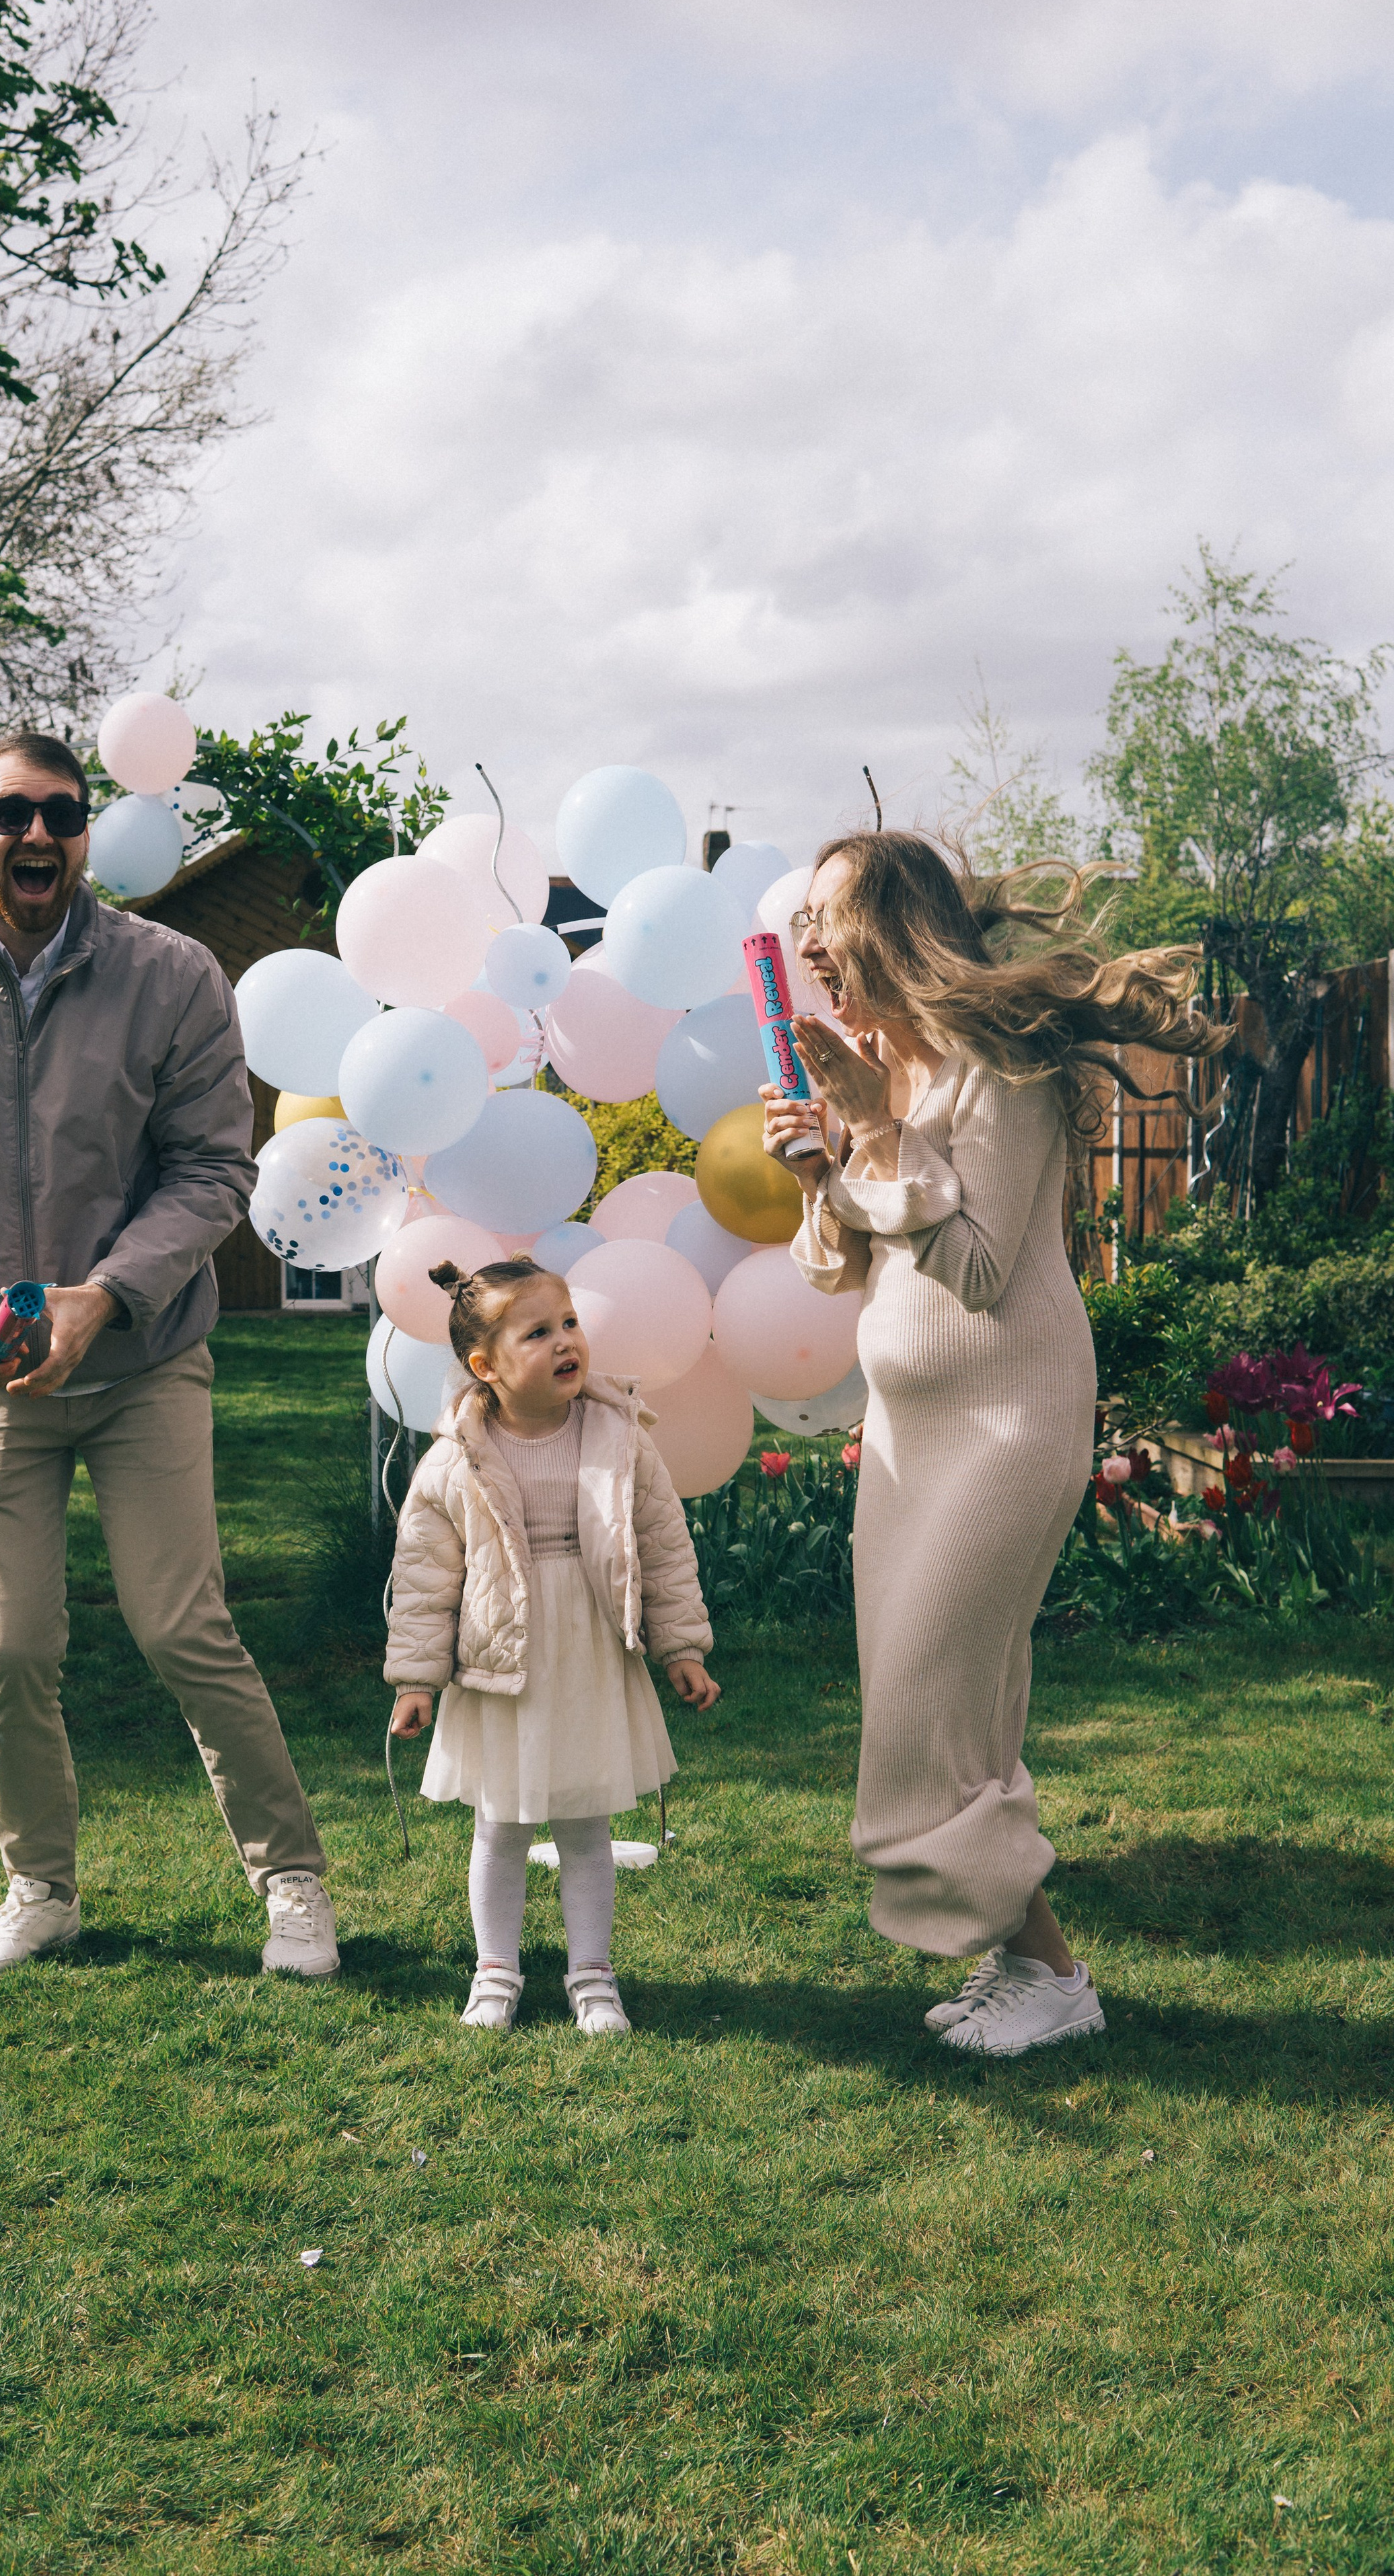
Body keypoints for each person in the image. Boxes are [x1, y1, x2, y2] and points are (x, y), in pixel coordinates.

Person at [0, 728, 338, 1985]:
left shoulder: (171, 974)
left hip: (143, 1360)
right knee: (5, 1648)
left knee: (184, 1627)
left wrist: (106, 1298)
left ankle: (292, 1884)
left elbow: (214, 1166)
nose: (38, 837)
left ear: (85, 833)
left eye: (60, 815)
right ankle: (40, 1892)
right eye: (9, 816)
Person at [762, 830, 1227, 2057]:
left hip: (1007, 1425)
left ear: (894, 923)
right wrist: (828, 1159)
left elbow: (972, 1271)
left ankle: (1054, 1980)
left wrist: (879, 1135)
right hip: (910, 1437)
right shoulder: (883, 1069)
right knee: (947, 1712)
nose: (808, 938)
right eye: (802, 919)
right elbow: (838, 1270)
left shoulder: (997, 1068)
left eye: (829, 912)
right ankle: (1019, 1963)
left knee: (930, 1708)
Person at [383, 1256, 719, 2035]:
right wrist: (416, 1679)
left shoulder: (618, 1436)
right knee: (500, 1824)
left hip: (591, 1648)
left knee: (584, 1824)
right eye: (538, 1333)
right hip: (503, 1657)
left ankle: (592, 1974)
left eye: (569, 1323)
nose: (565, 1341)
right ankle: (495, 1969)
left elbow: (662, 1545)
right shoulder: (454, 1457)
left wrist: (681, 1647)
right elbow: (425, 1576)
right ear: (485, 1366)